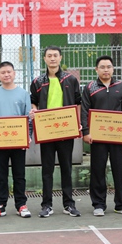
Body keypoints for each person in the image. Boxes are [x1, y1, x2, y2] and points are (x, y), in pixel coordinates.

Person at [30, 45, 82, 217]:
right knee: (47, 169)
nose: (52, 58)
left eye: (55, 55)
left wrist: (77, 122)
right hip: (46, 131)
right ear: (44, 59)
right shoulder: (37, 81)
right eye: (49, 56)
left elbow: (78, 102)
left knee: (67, 168)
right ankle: (47, 205)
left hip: (65, 130)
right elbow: (34, 101)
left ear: (60, 58)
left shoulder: (71, 79)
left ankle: (69, 204)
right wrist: (34, 111)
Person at [81, 55, 122, 217]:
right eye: (102, 67)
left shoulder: (121, 86)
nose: (106, 70)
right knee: (98, 170)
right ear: (96, 69)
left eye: (109, 67)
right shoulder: (90, 88)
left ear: (113, 69)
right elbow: (84, 111)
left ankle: (121, 204)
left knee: (119, 170)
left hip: (117, 137)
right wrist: (86, 132)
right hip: (98, 137)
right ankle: (99, 204)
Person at [0, 61, 32, 219]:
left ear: (14, 73)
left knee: (19, 174)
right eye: (3, 72)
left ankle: (21, 205)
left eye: (9, 72)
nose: (6, 75)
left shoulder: (23, 94)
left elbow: (28, 118)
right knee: (1, 175)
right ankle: (0, 205)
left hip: (19, 142)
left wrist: (28, 136)